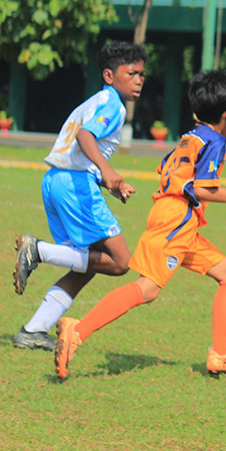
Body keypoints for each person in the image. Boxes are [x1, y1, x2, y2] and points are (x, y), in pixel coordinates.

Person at [53, 70, 226, 380]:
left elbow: (169, 168)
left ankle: (221, 354)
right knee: (148, 289)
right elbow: (200, 188)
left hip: (179, 220)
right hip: (176, 221)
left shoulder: (191, 136)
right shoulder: (217, 141)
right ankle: (78, 330)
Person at [11, 41, 148, 351]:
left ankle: (34, 330)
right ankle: (39, 251)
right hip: (74, 185)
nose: (139, 79)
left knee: (86, 265)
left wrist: (109, 183)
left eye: (142, 74)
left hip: (57, 181)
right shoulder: (113, 105)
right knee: (120, 261)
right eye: (132, 73)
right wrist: (108, 171)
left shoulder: (97, 101)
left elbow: (78, 148)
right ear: (110, 75)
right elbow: (85, 137)